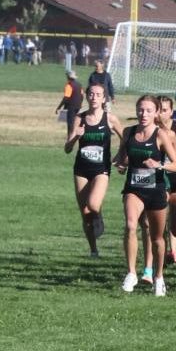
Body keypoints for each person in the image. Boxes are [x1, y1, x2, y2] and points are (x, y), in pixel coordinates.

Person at [117, 94, 176, 296]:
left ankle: (159, 277)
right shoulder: (128, 133)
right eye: (140, 110)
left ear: (155, 113)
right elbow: (122, 158)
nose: (143, 114)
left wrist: (159, 164)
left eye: (149, 111)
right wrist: (120, 164)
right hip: (134, 188)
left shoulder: (161, 135)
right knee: (130, 225)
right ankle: (131, 273)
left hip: (156, 189)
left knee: (157, 238)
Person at [66, 83, 124, 256]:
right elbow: (67, 148)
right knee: (85, 213)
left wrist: (120, 157)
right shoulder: (79, 118)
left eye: (98, 94)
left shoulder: (110, 119)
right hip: (81, 169)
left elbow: (125, 140)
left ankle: (98, 215)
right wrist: (76, 135)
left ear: (104, 98)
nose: (94, 97)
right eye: (91, 94)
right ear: (87, 97)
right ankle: (93, 250)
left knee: (92, 205)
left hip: (101, 169)